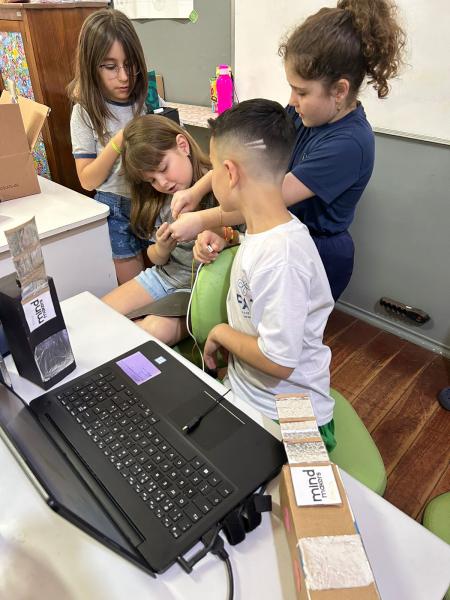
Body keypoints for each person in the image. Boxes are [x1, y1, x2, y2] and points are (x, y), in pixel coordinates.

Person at [169, 0, 406, 301]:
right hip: (277, 234)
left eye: (302, 91)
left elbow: (263, 199)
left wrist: (203, 220)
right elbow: (244, 154)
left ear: (340, 91)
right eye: (291, 88)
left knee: (286, 340)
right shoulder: (302, 113)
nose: (292, 100)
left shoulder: (349, 145)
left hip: (314, 252)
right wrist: (195, 192)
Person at [194, 99, 336, 451]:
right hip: (247, 390)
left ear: (230, 172)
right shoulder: (262, 231)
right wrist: (226, 239)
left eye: (211, 168)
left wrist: (220, 333)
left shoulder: (283, 257)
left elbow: (278, 360)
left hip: (290, 414)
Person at [102, 114, 215, 346]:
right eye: (152, 179)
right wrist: (162, 248)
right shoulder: (161, 199)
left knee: (153, 331)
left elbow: (220, 173)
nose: (162, 183)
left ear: (183, 146)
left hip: (199, 287)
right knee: (99, 314)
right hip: (165, 277)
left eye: (164, 169)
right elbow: (156, 258)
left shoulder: (215, 182)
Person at [68, 9, 150, 285]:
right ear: (92, 67)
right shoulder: (84, 113)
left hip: (151, 203)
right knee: (137, 295)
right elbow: (87, 179)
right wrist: (118, 141)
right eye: (111, 67)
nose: (125, 77)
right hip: (115, 212)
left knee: (162, 284)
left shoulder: (144, 104)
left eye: (130, 65)